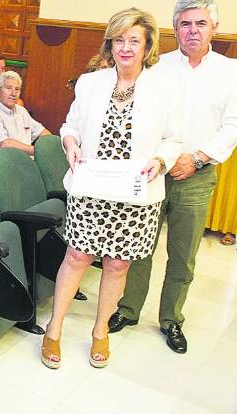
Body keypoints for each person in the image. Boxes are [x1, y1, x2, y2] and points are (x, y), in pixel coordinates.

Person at [40, 7, 182, 370]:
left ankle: (100, 330)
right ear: (110, 44)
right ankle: (53, 328)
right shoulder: (91, 83)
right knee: (76, 257)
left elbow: (175, 138)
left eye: (134, 40)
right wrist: (69, 144)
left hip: (137, 193)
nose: (126, 47)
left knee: (117, 265)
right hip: (91, 189)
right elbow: (70, 126)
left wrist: (162, 160)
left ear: (148, 44)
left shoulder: (163, 87)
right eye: (119, 40)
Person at [110, 0, 237, 354]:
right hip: (153, 170)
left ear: (214, 27)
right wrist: (163, 158)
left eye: (200, 23)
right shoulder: (156, 67)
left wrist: (196, 158)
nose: (192, 30)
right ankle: (128, 309)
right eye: (185, 24)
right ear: (175, 29)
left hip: (198, 174)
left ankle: (171, 319)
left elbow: (233, 126)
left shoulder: (231, 72)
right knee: (139, 246)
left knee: (183, 253)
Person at [0, 71, 51, 156]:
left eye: (17, 89)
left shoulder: (21, 110)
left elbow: (43, 132)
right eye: (8, 88)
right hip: (8, 161)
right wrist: (39, 151)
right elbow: (5, 144)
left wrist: (49, 146)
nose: (13, 93)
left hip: (29, 158)